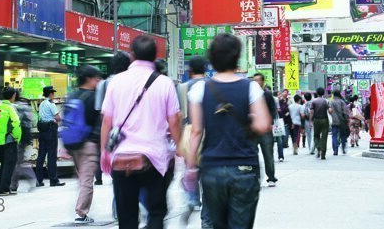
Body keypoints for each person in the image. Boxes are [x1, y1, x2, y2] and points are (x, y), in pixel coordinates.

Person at [186, 33, 271, 229]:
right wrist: (249, 118)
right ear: (237, 57)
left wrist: (190, 165)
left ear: (212, 59)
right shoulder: (251, 87)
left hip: (212, 167)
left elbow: (196, 131)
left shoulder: (200, 89)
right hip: (244, 167)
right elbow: (263, 125)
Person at [100, 35, 182, 229]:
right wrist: (179, 147)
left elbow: (107, 121)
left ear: (132, 56)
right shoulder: (165, 83)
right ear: (155, 58)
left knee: (126, 217)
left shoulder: (116, 82)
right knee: (156, 213)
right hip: (155, 158)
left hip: (122, 158)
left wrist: (105, 151)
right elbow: (174, 120)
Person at [69, 66, 104, 224]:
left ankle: (80, 208)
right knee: (87, 180)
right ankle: (81, 213)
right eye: (96, 78)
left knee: (82, 177)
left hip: (73, 143)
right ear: (89, 79)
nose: (98, 81)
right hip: (88, 144)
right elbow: (100, 122)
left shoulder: (72, 95)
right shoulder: (94, 98)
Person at [95, 51, 133, 185]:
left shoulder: (103, 84)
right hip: (131, 131)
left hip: (111, 133)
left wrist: (103, 148)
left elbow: (103, 115)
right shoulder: (134, 82)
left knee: (118, 175)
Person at [176, 56, 208, 212]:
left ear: (190, 70)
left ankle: (193, 198)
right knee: (207, 166)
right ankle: (207, 196)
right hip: (209, 130)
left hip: (189, 130)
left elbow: (179, 115)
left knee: (191, 166)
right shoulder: (211, 85)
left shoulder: (182, 87)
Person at [0, 87, 22, 197]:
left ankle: (0, 188)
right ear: (13, 95)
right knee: (9, 164)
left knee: (4, 164)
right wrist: (16, 136)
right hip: (9, 140)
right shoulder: (10, 108)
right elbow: (16, 122)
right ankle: (4, 189)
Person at [36, 86, 65, 187]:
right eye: (53, 93)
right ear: (51, 94)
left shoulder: (41, 104)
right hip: (50, 130)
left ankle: (39, 181)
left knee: (41, 156)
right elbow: (57, 117)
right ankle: (53, 180)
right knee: (51, 155)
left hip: (42, 130)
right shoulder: (51, 104)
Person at [11, 87, 38, 192]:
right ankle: (15, 184)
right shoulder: (26, 106)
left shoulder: (13, 107)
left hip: (16, 137)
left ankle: (16, 184)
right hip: (25, 136)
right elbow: (32, 121)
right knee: (19, 160)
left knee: (17, 161)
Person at [258, 89, 279, 186]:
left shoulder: (267, 95)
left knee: (268, 154)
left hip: (266, 129)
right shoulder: (248, 92)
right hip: (253, 129)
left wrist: (271, 123)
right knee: (252, 154)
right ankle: (256, 177)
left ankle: (271, 177)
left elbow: (273, 110)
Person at [309, 88, 331, 159]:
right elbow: (329, 110)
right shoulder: (326, 101)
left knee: (316, 136)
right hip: (325, 120)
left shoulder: (313, 101)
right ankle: (323, 154)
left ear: (317, 93)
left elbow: (311, 112)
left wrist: (310, 121)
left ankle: (318, 147)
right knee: (324, 137)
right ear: (323, 93)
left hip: (316, 120)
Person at [328, 90, 349, 155]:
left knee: (334, 135)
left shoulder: (331, 102)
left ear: (333, 95)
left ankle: (335, 150)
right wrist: (346, 120)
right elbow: (345, 112)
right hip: (342, 121)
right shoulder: (342, 102)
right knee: (343, 135)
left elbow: (329, 111)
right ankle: (343, 148)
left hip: (334, 121)